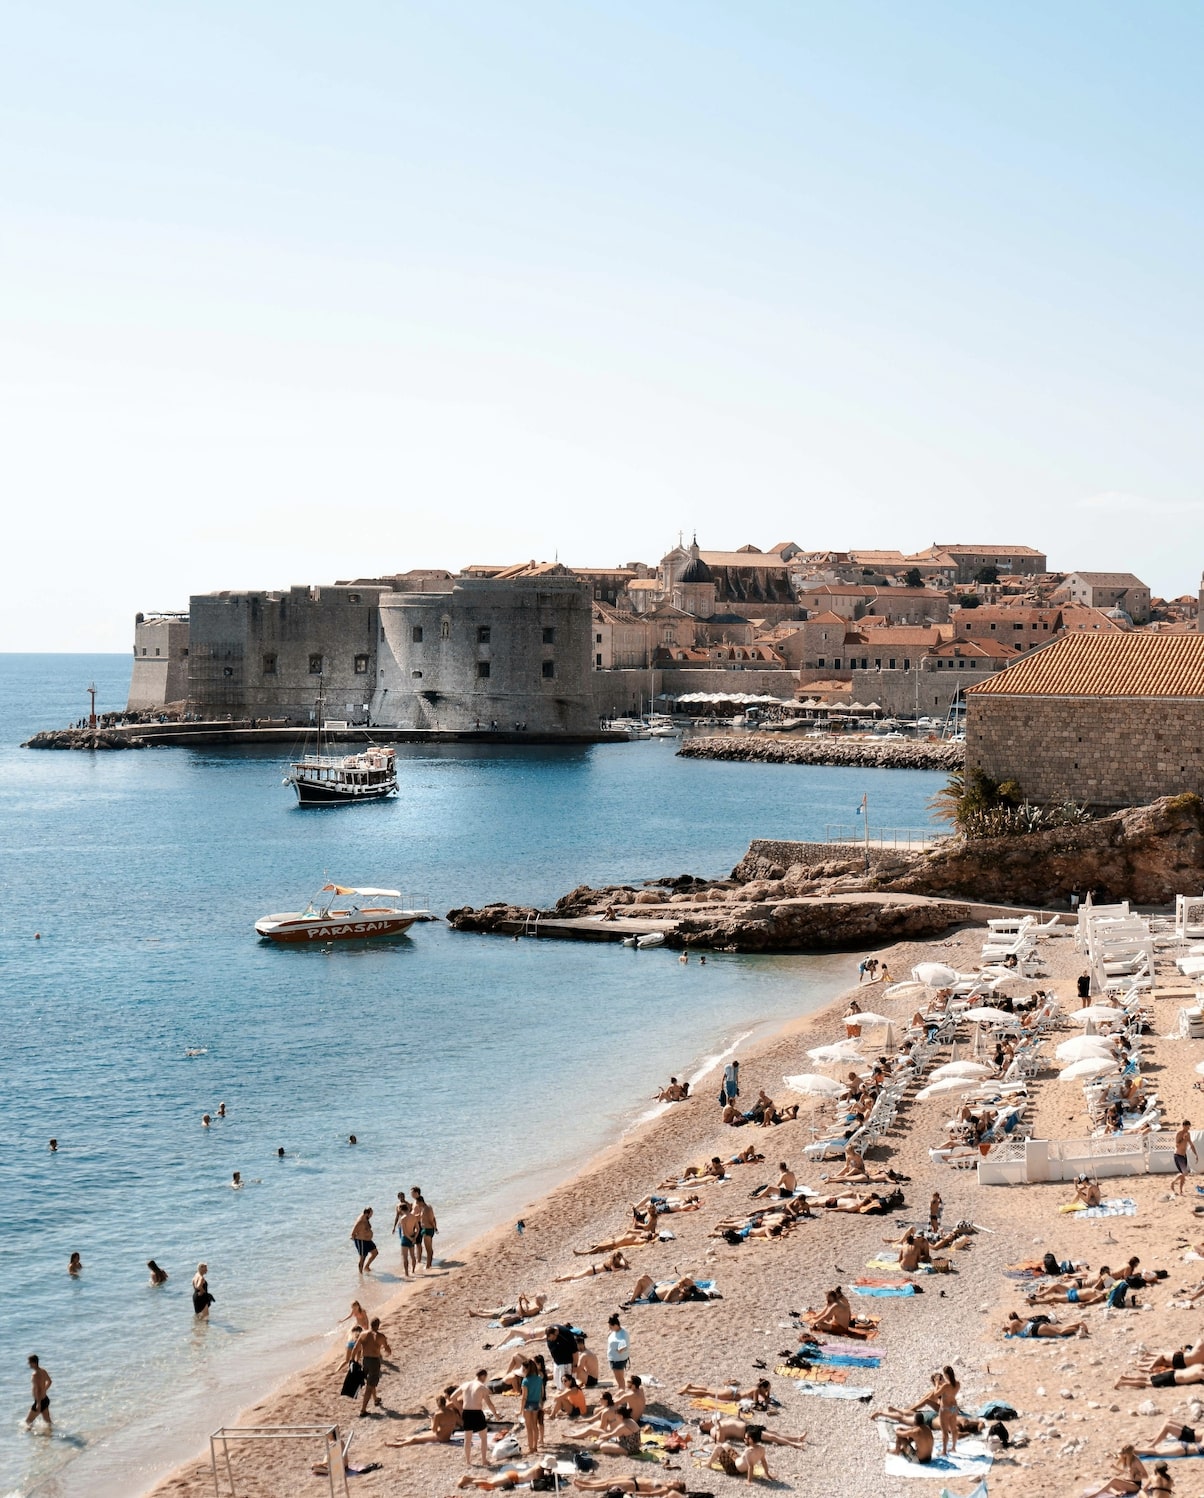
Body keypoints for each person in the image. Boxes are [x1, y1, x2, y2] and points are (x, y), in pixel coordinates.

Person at [352, 1316, 392, 1417]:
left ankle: (376, 1399)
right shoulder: (380, 1336)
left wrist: (353, 1360)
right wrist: (388, 1351)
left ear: (370, 1324)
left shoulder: (363, 1334)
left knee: (370, 1381)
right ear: (378, 1325)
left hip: (365, 1361)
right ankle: (363, 1410)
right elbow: (387, 1350)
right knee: (370, 1386)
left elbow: (355, 1348)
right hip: (374, 1361)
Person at [457, 1369, 498, 1467]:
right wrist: (495, 1414)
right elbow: (489, 1403)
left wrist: (460, 1408)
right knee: (483, 1437)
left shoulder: (465, 1384)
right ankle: (484, 1460)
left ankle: (468, 1461)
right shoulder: (482, 1387)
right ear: (483, 1376)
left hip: (466, 1412)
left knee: (467, 1438)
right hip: (477, 1412)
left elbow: (453, 1397)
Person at [386, 1393, 460, 1446]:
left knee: (415, 1439)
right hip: (447, 1436)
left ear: (438, 1404)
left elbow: (434, 1429)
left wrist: (432, 1420)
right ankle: (404, 1439)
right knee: (422, 1434)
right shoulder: (452, 1411)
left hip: (440, 1438)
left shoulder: (438, 1414)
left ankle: (398, 1444)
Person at [706, 1428, 773, 1481]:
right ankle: (714, 1458)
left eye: (746, 1438)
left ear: (751, 1440)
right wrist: (768, 1474)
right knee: (726, 1445)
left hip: (733, 1469)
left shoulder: (749, 1451)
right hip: (737, 1461)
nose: (744, 1440)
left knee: (718, 1448)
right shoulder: (761, 1449)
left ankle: (708, 1464)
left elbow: (751, 1467)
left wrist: (749, 1481)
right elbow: (764, 1461)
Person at [1081, 1444, 1146, 1496]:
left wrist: (1136, 1475)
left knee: (1114, 1481)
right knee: (1103, 1483)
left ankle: (1095, 1495)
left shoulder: (1136, 1461)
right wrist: (1115, 1468)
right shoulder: (1126, 1460)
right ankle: (1116, 1493)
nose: (1123, 1455)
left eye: (1124, 1453)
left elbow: (1146, 1475)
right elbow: (1126, 1472)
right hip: (1128, 1482)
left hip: (1135, 1486)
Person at [677, 1377, 771, 1408]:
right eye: (766, 1389)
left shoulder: (756, 1388)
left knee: (708, 1389)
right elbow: (755, 1403)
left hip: (732, 1392)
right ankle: (688, 1391)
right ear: (762, 1387)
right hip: (732, 1395)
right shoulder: (756, 1390)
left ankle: (692, 1386)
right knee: (707, 1393)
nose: (766, 1391)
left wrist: (768, 1392)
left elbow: (766, 1397)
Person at [519, 1357, 545, 1454]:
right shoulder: (539, 1379)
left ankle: (530, 1448)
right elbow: (541, 1393)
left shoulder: (525, 1381)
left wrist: (520, 1409)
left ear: (526, 1369)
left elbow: (524, 1397)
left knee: (529, 1428)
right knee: (535, 1426)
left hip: (528, 1404)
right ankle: (535, 1446)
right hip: (536, 1404)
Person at [1003, 1311, 1086, 1338]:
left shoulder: (1013, 1323)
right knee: (1061, 1329)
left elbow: (1011, 1335)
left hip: (1036, 1329)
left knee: (1060, 1333)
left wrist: (1006, 1329)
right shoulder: (1022, 1319)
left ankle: (1078, 1329)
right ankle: (1078, 1324)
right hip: (1040, 1324)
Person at [545, 1324, 579, 1390]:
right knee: (558, 1385)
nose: (551, 1340)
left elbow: (575, 1351)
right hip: (556, 1363)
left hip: (566, 1364)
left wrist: (575, 1366)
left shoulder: (566, 1335)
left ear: (555, 1333)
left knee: (566, 1386)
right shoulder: (549, 1332)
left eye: (552, 1338)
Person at [412, 1187, 438, 1269]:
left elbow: (432, 1219)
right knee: (429, 1248)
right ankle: (429, 1264)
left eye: (418, 1203)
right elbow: (420, 1217)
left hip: (428, 1230)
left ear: (421, 1202)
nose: (417, 1205)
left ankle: (428, 1265)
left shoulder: (427, 1209)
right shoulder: (424, 1209)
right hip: (425, 1229)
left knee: (428, 1249)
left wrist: (435, 1228)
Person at [1172, 1121, 1199, 1196]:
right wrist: (1183, 1138)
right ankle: (1172, 1183)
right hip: (1178, 1155)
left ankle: (1181, 1191)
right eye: (1187, 1127)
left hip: (1184, 1156)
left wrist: (1196, 1154)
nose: (1188, 1129)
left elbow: (1191, 1144)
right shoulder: (1179, 1133)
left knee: (1183, 1175)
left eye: (1189, 1127)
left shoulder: (1188, 1134)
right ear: (1183, 1126)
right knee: (1185, 1173)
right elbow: (1177, 1145)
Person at [25, 1356, 51, 1430]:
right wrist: (44, 1390)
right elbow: (49, 1381)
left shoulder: (35, 1375)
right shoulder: (43, 1371)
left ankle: (30, 1439)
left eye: (29, 1362)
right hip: (45, 1399)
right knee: (48, 1422)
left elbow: (38, 1390)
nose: (28, 1364)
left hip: (40, 1402)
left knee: (28, 1422)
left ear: (34, 1363)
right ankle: (51, 1437)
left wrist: (38, 1404)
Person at [607, 1314, 630, 1392]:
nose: (610, 1328)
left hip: (618, 1360)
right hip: (616, 1359)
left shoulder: (622, 1335)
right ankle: (621, 1392)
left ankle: (622, 1394)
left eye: (611, 1327)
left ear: (616, 1325)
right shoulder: (619, 1331)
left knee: (620, 1379)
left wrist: (617, 1350)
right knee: (619, 1379)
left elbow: (622, 1347)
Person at [350, 1207, 378, 1273]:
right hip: (361, 1241)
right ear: (366, 1213)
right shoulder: (360, 1221)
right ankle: (361, 1274)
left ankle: (366, 1266)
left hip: (368, 1241)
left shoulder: (366, 1218)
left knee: (375, 1253)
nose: (371, 1216)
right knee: (362, 1258)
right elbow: (352, 1233)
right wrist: (357, 1240)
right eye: (371, 1214)